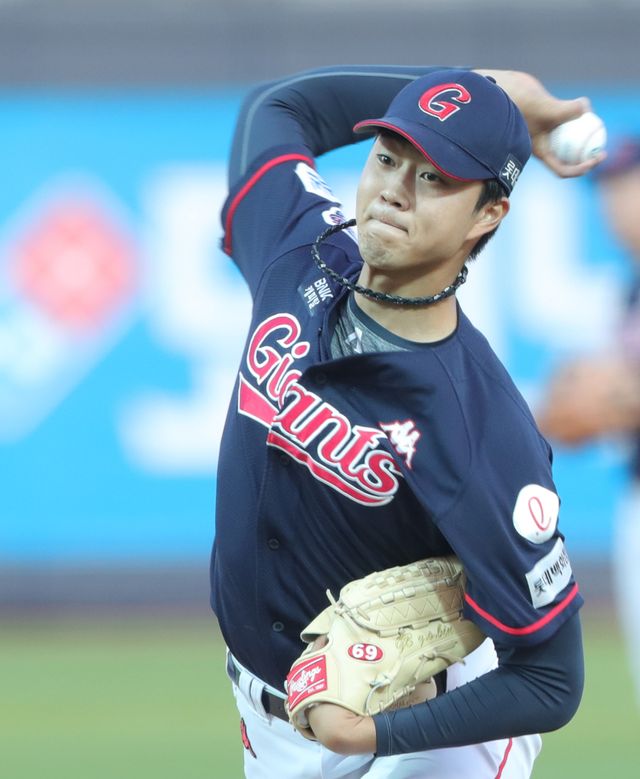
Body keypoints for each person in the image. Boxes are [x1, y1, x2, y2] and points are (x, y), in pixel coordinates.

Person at [210, 64, 603, 779]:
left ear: (487, 215)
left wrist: (369, 735)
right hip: (271, 727)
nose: (395, 188)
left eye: (434, 177)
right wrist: (476, 86)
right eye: (388, 157)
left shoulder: (480, 427)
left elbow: (552, 678)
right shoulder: (300, 249)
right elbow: (280, 105)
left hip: (430, 733)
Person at [537, 136, 640, 708]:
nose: (616, 203)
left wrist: (614, 395)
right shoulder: (629, 288)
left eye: (628, 185)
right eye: (609, 190)